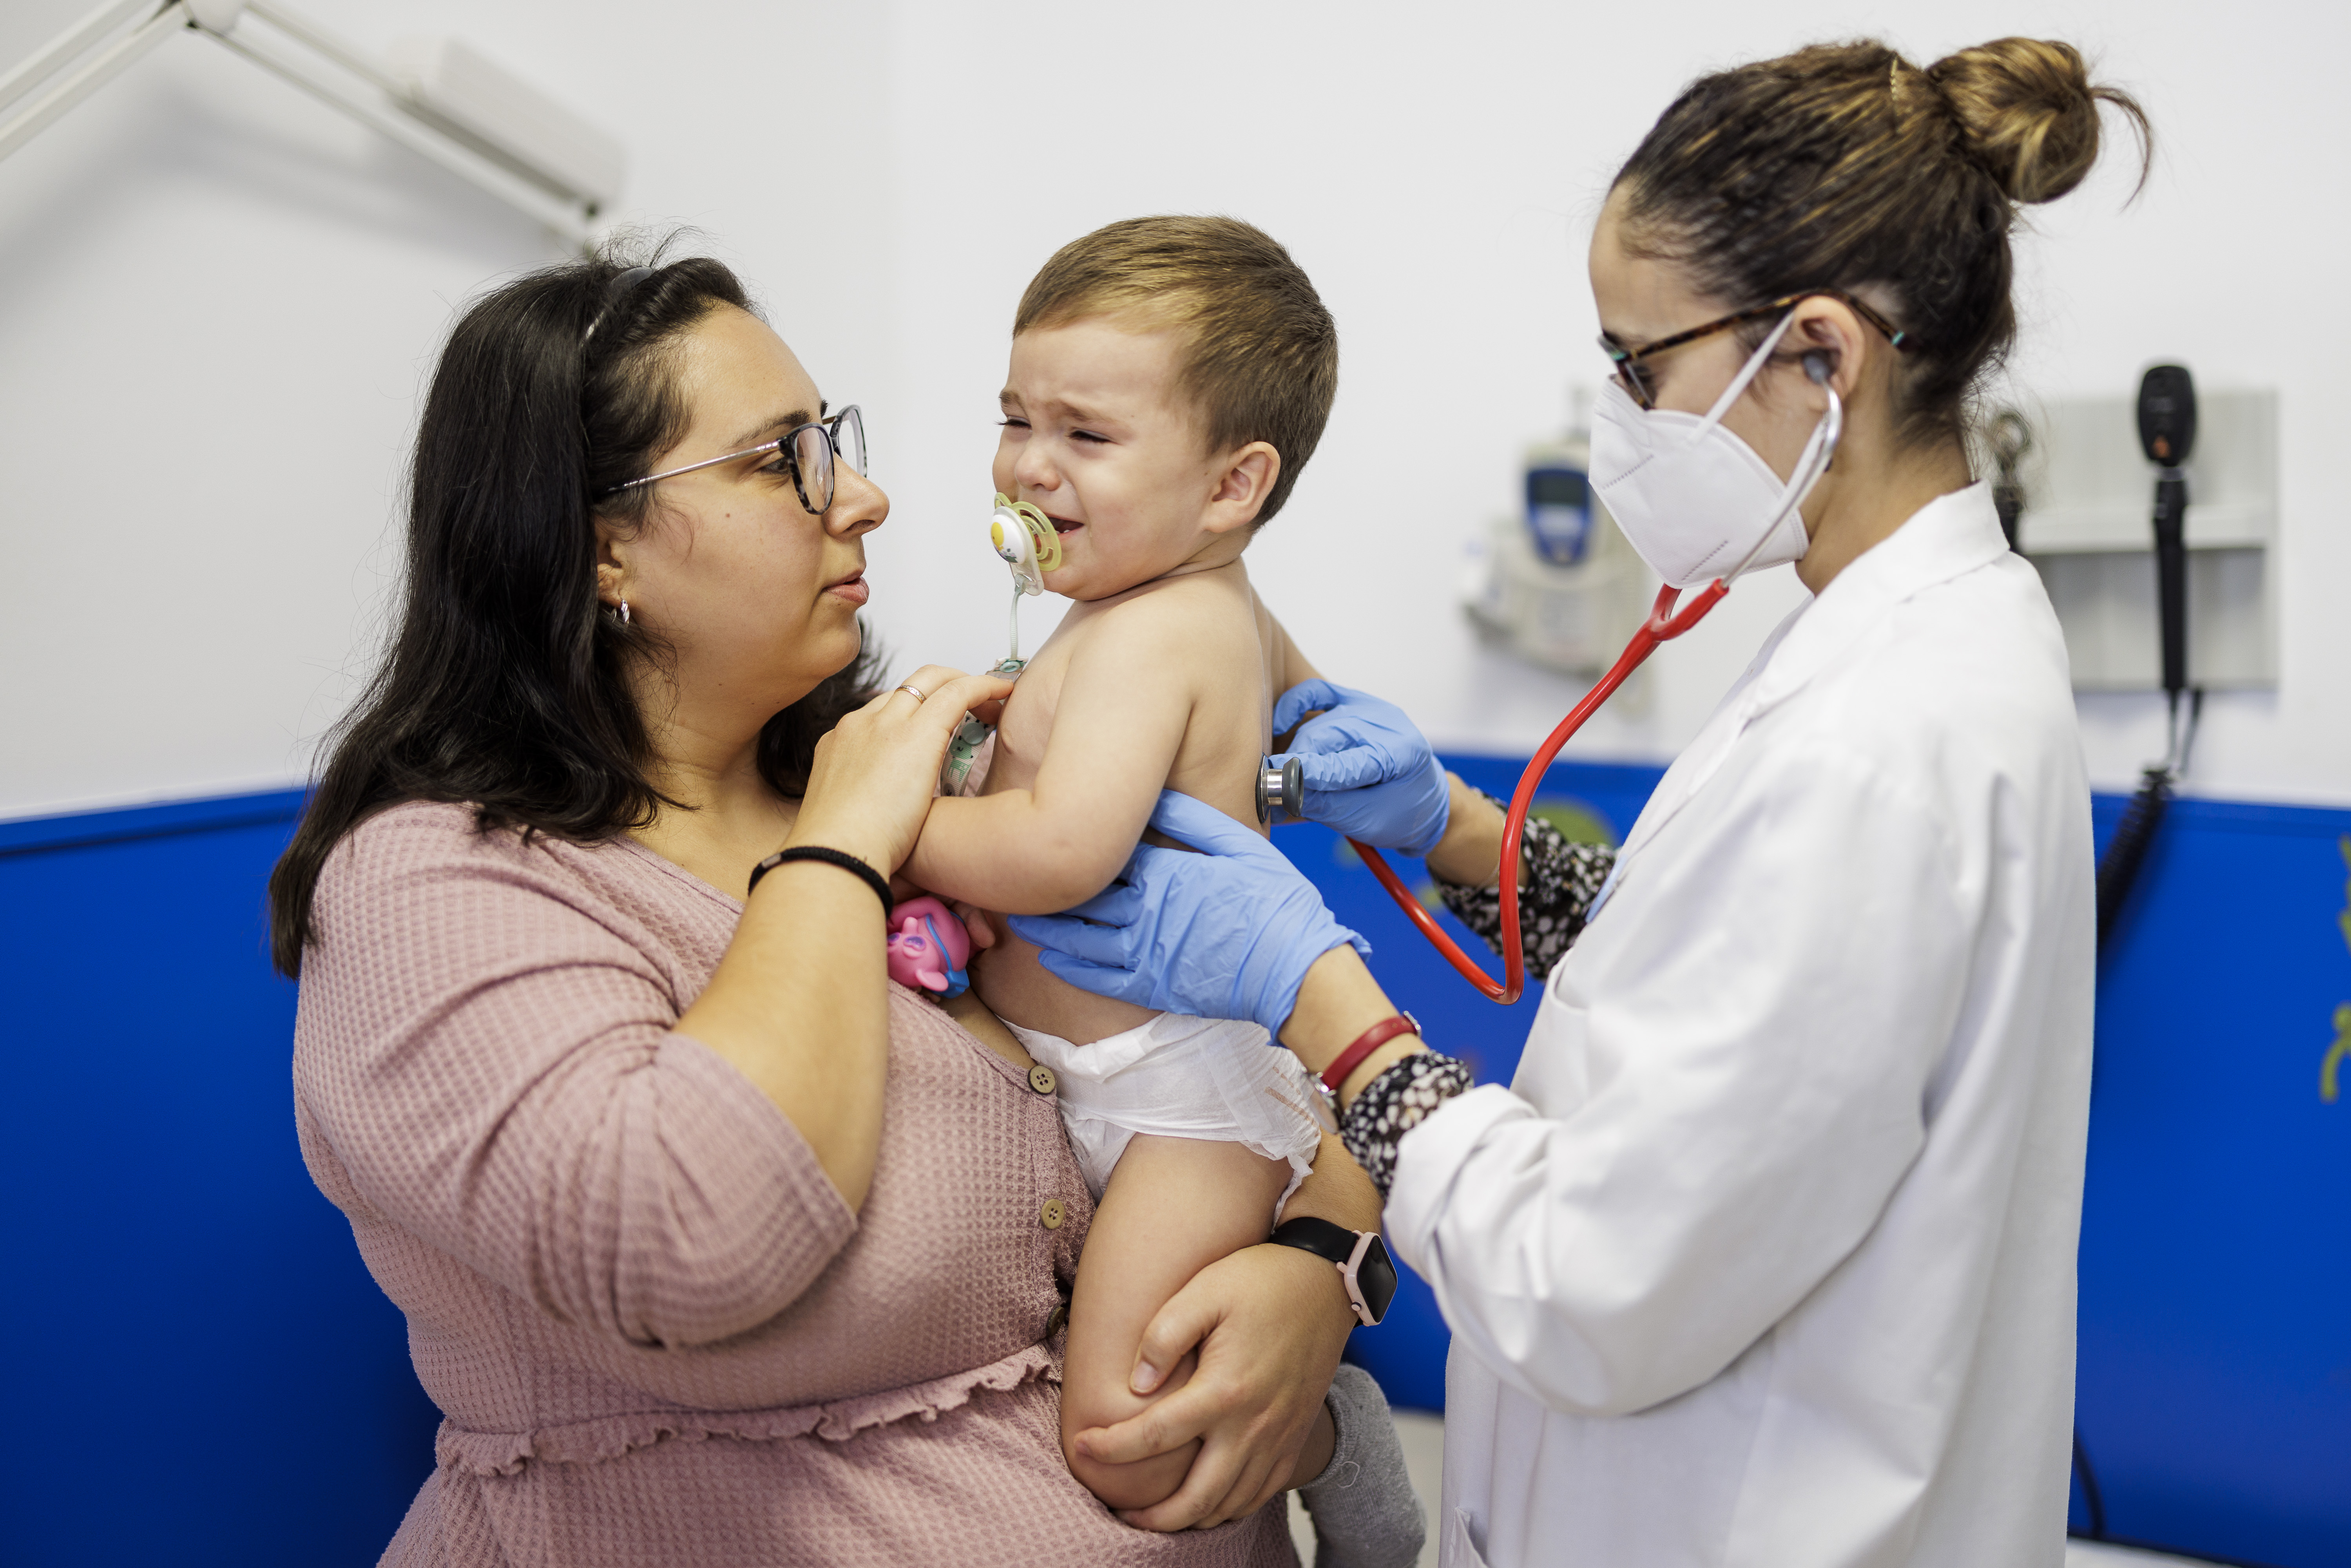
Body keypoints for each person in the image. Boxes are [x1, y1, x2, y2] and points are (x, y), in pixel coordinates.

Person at [1016, 36, 2148, 1568]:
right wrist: (1457, 834)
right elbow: (1729, 988)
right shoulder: (1902, 646)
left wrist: (1322, 999)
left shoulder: (1880, 741)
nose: (1619, 413)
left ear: (1820, 352)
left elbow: (1589, 1279)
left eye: (1641, 365)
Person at [267, 246, 1380, 1566]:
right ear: (603, 541)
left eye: (832, 440)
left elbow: (1236, 1064)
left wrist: (1320, 1264)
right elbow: (694, 1239)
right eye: (778, 459)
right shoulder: (440, 883)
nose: (867, 497)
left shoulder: (929, 783)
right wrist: (846, 845)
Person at [902, 216, 1422, 1565]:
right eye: (1015, 417)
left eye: (1086, 434)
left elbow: (1067, 853)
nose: (1027, 464)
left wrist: (892, 824)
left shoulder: (1157, 624)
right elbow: (1287, 685)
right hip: (1069, 1070)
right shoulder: (1198, 599)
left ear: (1231, 484)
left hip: (1173, 1099)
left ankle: (1331, 1441)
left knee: (1119, 1430)